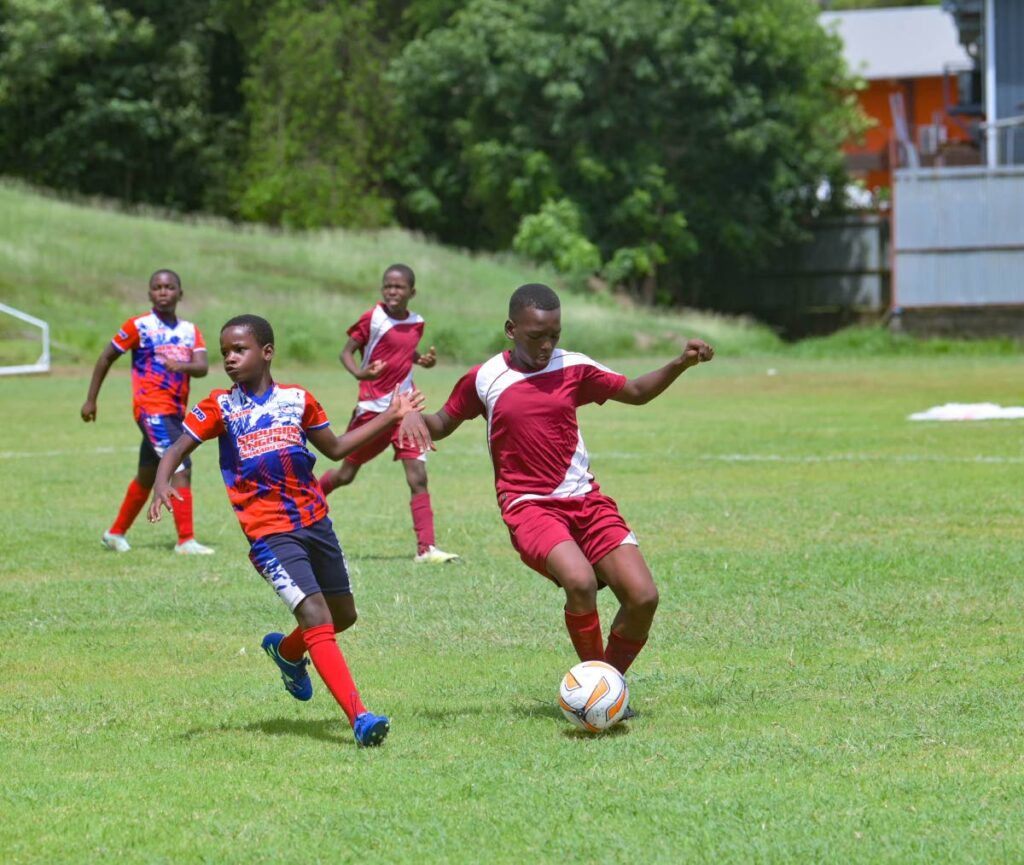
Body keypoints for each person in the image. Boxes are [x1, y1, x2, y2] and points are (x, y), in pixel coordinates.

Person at [398, 283, 714, 697]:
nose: (546, 345)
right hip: (528, 507)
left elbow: (635, 393)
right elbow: (441, 422)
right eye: (536, 336)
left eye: (554, 335)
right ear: (511, 329)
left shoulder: (574, 367)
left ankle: (605, 689)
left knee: (643, 598)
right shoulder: (485, 378)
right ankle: (597, 692)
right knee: (579, 582)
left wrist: (680, 363)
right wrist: (410, 417)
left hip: (586, 500)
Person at [147, 314, 428, 747]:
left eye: (239, 350)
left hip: (315, 522)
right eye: (225, 353)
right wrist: (163, 480)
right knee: (315, 615)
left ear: (267, 352)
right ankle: (360, 716)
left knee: (343, 616)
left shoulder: (298, 400)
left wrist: (392, 415)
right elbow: (179, 447)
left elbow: (335, 447)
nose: (230, 359)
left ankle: (289, 652)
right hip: (268, 532)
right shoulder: (219, 406)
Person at [318, 264, 459, 564]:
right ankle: (305, 502)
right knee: (345, 474)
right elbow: (346, 351)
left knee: (418, 477)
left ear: (412, 292)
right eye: (388, 286)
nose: (392, 291)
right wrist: (361, 372)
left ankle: (427, 549)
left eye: (399, 287)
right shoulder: (373, 317)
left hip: (406, 410)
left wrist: (423, 361)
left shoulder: (418, 322)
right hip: (372, 409)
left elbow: (403, 351)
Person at [81, 269, 214, 555]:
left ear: (180, 293)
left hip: (175, 412)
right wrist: (91, 399)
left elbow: (202, 367)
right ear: (149, 293)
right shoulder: (138, 326)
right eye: (157, 287)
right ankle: (186, 541)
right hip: (151, 408)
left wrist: (182, 366)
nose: (163, 291)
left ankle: (115, 534)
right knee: (181, 467)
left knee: (146, 475)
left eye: (169, 287)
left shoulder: (190, 330)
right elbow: (106, 357)